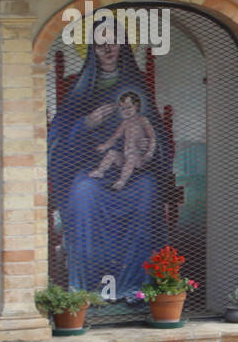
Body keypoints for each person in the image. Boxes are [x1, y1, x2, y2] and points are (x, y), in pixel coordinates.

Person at [47, 36, 172, 301]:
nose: (107, 48)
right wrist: (85, 125)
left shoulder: (137, 87)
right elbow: (57, 139)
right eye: (99, 43)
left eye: (113, 42)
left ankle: (135, 286)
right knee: (83, 192)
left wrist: (146, 151)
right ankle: (86, 289)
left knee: (148, 189)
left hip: (134, 170)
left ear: (123, 47)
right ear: (91, 49)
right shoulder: (81, 89)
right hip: (91, 168)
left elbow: (157, 135)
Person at [88, 91, 158, 191]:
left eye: (129, 107)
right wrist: (105, 146)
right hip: (125, 158)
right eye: (123, 108)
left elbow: (152, 137)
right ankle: (100, 171)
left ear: (136, 106)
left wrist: (149, 153)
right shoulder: (125, 123)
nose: (126, 111)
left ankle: (121, 181)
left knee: (132, 157)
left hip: (139, 160)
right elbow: (115, 137)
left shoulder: (143, 120)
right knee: (112, 153)